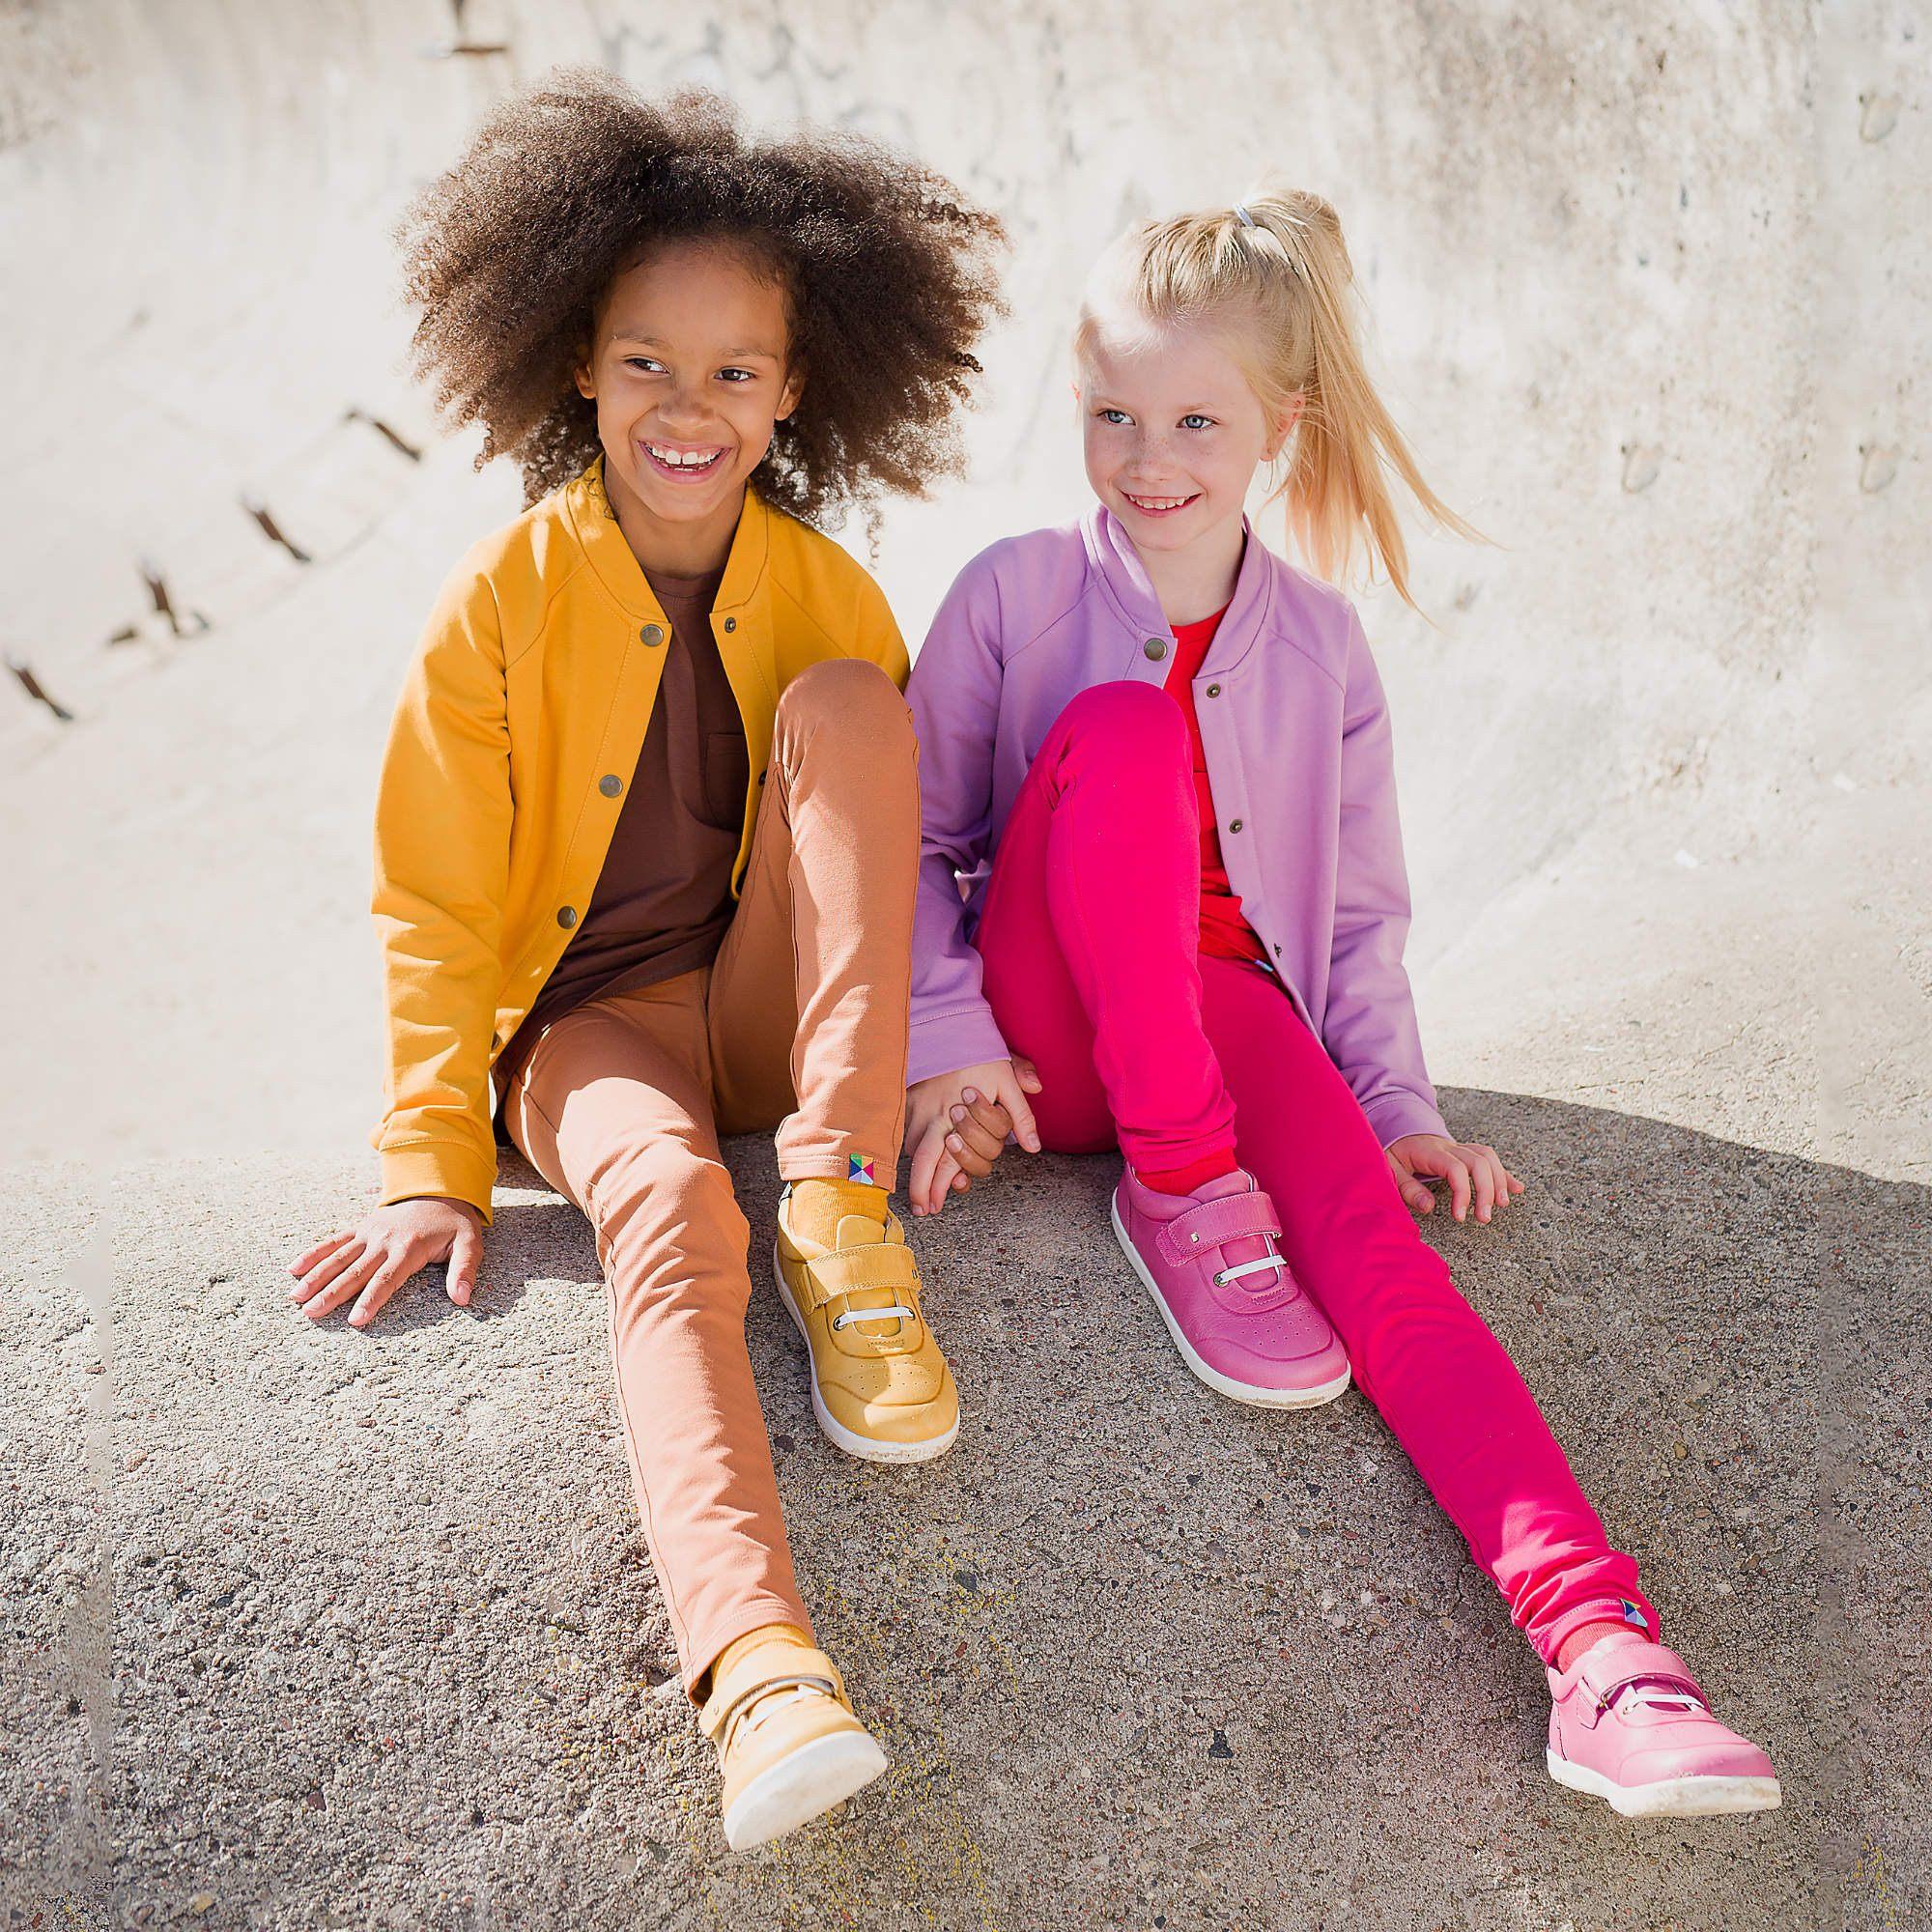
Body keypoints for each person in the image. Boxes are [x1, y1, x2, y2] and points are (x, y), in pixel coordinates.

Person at [900, 187, 1781, 1820]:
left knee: (1382, 1253)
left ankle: (1604, 1660)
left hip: (1232, 1022)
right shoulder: (1013, 596)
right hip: (1057, 1040)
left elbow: (1361, 918)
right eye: (1109, 414)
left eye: (1192, 421)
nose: (1146, 456)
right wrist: (944, 1051)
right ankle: (1182, 1193)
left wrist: (1397, 1106)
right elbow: (920, 847)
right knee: (1128, 731)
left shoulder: (1321, 648)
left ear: (1277, 430)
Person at [285, 71, 1004, 1851]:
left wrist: (935, 1058)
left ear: (798, 387)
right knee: (672, 1215)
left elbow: (877, 877)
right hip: (587, 1035)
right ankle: (758, 1670)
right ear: (573, 367)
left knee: (853, 713)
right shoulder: (502, 600)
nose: (689, 408)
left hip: (766, 1025)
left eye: (735, 370)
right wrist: (429, 1163)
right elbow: (435, 905)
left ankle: (837, 1209)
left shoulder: (832, 593)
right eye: (644, 363)